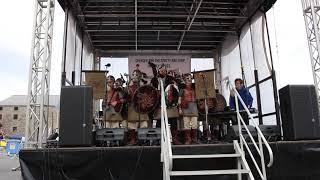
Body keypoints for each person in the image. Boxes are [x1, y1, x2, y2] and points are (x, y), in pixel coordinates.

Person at [178, 73, 198, 144]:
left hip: (194, 107)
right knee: (186, 124)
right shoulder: (182, 89)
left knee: (195, 124)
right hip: (185, 107)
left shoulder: (195, 88)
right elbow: (179, 100)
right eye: (187, 78)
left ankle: (194, 139)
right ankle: (188, 139)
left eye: (190, 78)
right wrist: (180, 108)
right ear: (184, 80)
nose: (189, 80)